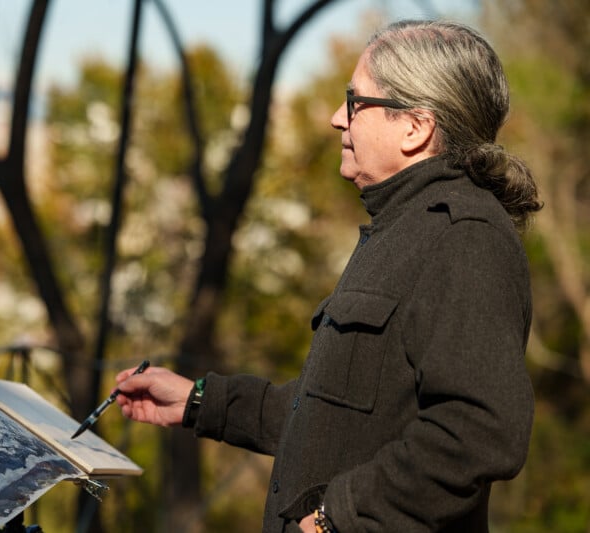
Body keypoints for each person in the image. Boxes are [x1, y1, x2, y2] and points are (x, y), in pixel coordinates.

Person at [114, 19, 542, 533]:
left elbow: (476, 433)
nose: (336, 117)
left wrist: (333, 521)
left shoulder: (465, 236)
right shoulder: (403, 227)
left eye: (355, 101)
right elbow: (336, 417)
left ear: (416, 127)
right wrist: (199, 402)